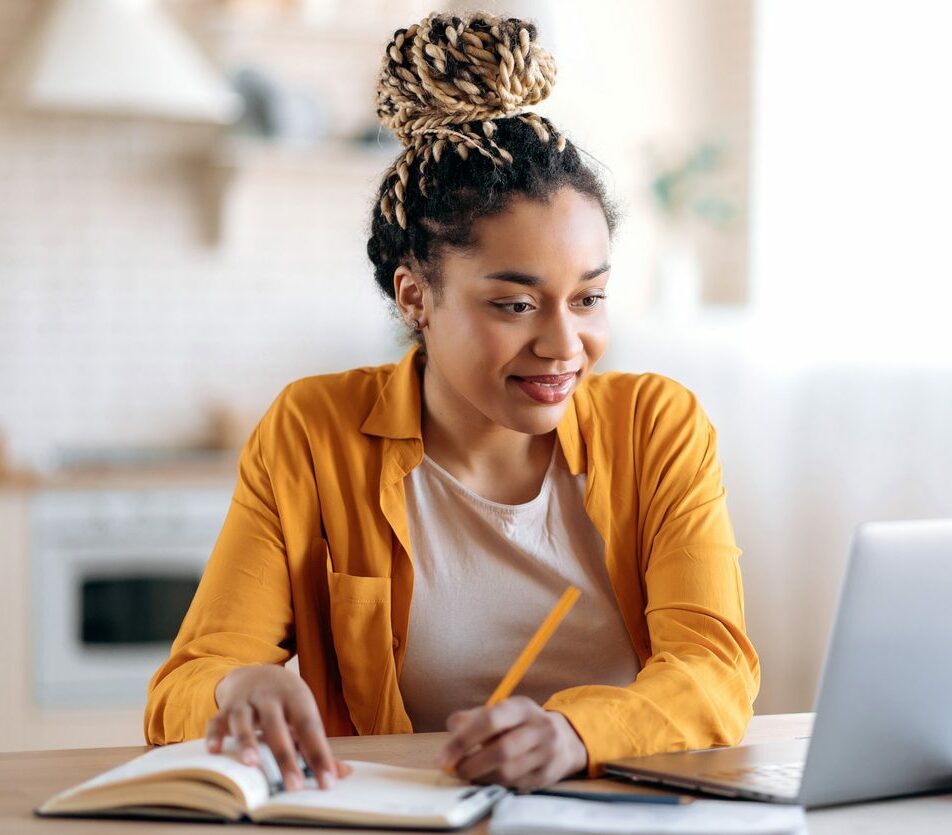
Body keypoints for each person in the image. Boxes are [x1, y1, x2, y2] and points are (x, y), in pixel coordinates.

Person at [144, 10, 759, 793]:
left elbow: (716, 668)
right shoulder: (313, 432)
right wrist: (236, 688)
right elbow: (182, 687)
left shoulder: (656, 426)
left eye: (589, 298)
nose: (564, 343)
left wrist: (575, 733)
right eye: (514, 304)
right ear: (415, 296)